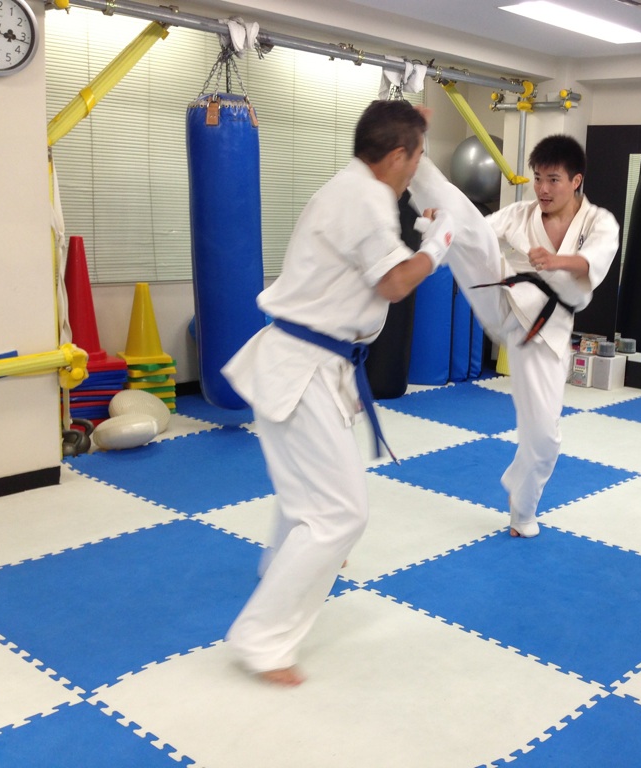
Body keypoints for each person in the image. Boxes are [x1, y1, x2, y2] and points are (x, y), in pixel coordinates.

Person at [220, 100, 455, 687]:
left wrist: (422, 231)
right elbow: (394, 282)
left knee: (308, 495)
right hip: (303, 367)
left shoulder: (352, 189)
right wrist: (439, 245)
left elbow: (374, 258)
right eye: (416, 156)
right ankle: (261, 640)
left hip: (311, 363)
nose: (417, 167)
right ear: (397, 156)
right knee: (341, 514)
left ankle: (279, 564)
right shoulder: (364, 199)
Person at [409, 135, 619, 538]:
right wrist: (443, 220)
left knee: (544, 438)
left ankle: (522, 509)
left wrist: (556, 260)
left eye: (553, 180)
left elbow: (590, 262)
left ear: (576, 180)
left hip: (544, 333)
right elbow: (477, 233)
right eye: (538, 178)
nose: (542, 189)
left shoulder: (600, 222)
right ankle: (415, 160)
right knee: (471, 230)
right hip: (503, 297)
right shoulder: (522, 213)